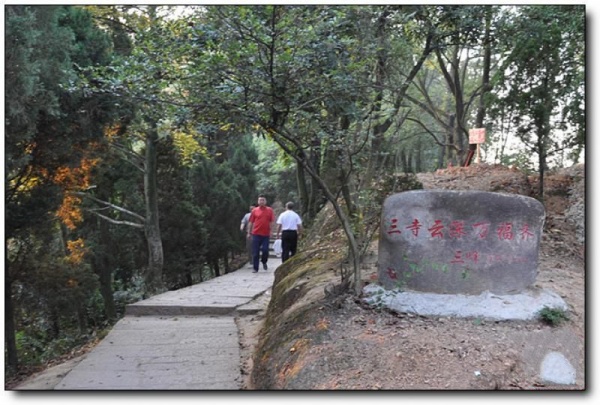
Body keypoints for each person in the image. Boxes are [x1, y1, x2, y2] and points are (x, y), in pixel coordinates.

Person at [247, 195, 275, 273]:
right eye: (260, 200)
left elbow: (271, 222)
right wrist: (249, 232)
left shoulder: (269, 210)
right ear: (258, 201)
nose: (261, 201)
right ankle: (255, 268)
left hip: (265, 234)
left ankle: (264, 261)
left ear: (265, 201)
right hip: (256, 233)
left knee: (265, 250)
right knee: (255, 252)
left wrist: (271, 231)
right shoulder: (254, 211)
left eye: (263, 200)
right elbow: (251, 222)